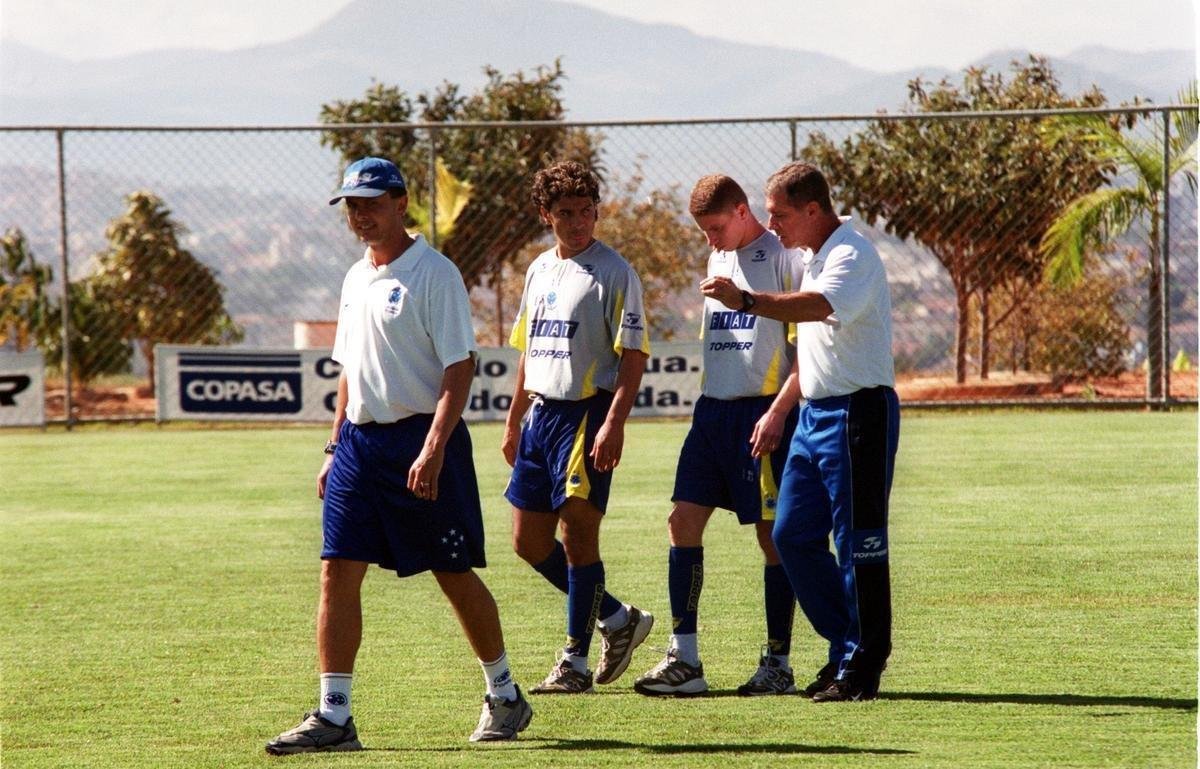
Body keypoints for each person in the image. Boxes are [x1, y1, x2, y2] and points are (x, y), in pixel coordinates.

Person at [267, 157, 532, 754]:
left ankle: (506, 695)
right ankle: (335, 717)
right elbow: (349, 371)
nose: (361, 216)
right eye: (352, 206)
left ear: (401, 203)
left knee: (453, 574)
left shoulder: (434, 274)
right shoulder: (355, 277)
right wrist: (335, 446)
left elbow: (459, 367)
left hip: (422, 442)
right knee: (337, 570)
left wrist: (435, 446)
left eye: (371, 203)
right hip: (359, 447)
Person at [700, 162, 899, 702]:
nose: (773, 224)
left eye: (780, 214)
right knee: (790, 536)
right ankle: (845, 647)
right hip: (814, 414)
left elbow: (817, 307)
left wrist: (746, 301)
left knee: (859, 544)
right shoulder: (811, 255)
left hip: (859, 413)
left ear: (813, 210)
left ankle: (862, 664)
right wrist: (787, 409)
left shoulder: (849, 253)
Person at [634, 175, 806, 697]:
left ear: (740, 210)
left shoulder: (783, 256)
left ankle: (777, 662)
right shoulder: (718, 257)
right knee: (681, 521)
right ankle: (685, 660)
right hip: (711, 414)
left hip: (763, 413)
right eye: (704, 231)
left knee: (770, 538)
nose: (711, 239)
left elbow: (807, 350)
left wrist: (778, 412)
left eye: (715, 227)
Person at [502, 159, 655, 694]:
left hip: (586, 414)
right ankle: (617, 618)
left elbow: (632, 354)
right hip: (541, 416)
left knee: (579, 532)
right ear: (546, 215)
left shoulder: (615, 272)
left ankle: (575, 662)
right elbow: (527, 349)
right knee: (526, 541)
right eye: (565, 213)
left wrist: (615, 422)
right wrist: (513, 417)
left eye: (586, 211)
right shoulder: (540, 268)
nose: (577, 222)